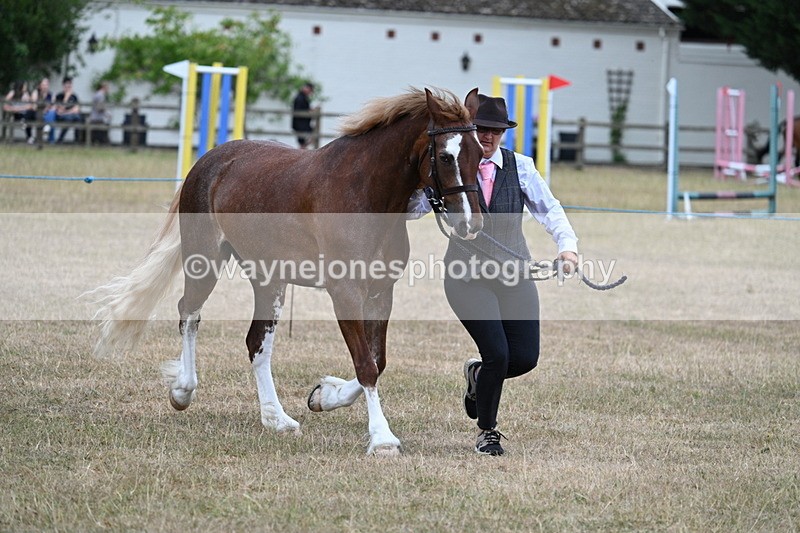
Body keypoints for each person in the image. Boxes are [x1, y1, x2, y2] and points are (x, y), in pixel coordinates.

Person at [409, 94, 579, 456]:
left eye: (496, 131)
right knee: (498, 354)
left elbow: (550, 209)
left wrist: (567, 245)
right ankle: (487, 431)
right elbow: (412, 211)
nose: (488, 137)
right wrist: (416, 193)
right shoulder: (451, 165)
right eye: (483, 129)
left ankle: (477, 375)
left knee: (524, 357)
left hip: (514, 273)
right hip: (466, 275)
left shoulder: (522, 167)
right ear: (471, 129)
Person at [44, 76, 82, 143]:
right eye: (66, 86)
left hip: (70, 115)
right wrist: (66, 97)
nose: (68, 88)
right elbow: (60, 110)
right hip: (61, 116)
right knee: (69, 118)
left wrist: (67, 112)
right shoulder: (59, 96)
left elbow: (76, 109)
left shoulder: (74, 96)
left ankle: (77, 140)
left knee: (78, 118)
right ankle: (60, 139)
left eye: (69, 86)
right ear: (63, 86)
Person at [292, 82, 316, 148]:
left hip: (302, 124)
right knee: (304, 141)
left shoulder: (302, 97)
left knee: (306, 141)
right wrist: (309, 111)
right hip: (301, 124)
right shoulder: (300, 98)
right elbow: (299, 111)